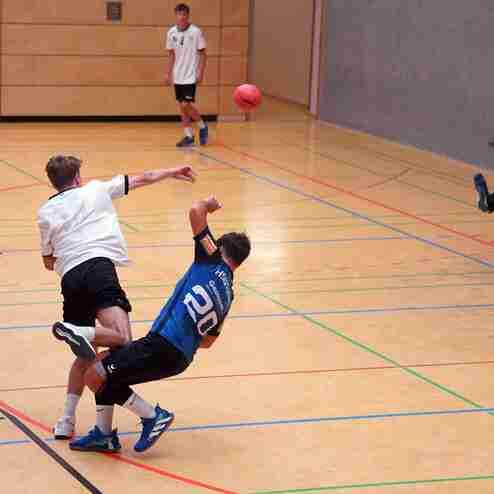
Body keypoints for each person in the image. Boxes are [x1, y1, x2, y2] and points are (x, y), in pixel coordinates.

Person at [52, 196, 251, 453]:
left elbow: (196, 210)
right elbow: (209, 341)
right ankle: (103, 435)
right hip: (180, 358)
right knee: (103, 365)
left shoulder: (212, 258)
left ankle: (152, 416)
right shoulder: (228, 295)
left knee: (94, 373)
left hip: (162, 344)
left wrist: (208, 204)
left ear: (219, 247)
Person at [37, 155, 196, 439]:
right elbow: (143, 177)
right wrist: (173, 170)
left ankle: (69, 421)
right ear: (77, 177)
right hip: (98, 268)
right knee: (123, 342)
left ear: (54, 182)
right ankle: (144, 414)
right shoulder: (96, 189)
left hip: (70, 279)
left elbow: (48, 262)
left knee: (88, 356)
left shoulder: (45, 212)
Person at [165, 3, 208, 147]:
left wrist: (200, 73)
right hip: (178, 75)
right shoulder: (171, 33)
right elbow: (171, 55)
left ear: (188, 15)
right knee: (182, 107)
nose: (182, 17)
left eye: (184, 14)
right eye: (179, 14)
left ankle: (202, 126)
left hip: (190, 75)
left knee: (186, 104)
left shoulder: (195, 32)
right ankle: (189, 136)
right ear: (175, 15)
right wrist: (168, 73)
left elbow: (203, 54)